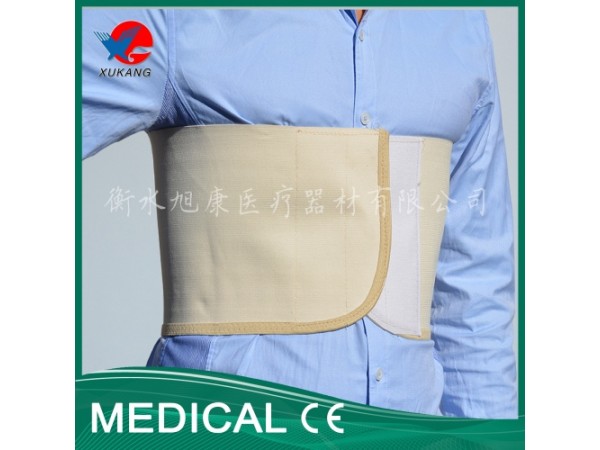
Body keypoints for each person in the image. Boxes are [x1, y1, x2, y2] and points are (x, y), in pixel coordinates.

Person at [82, 9, 517, 418]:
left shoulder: (458, 23)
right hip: (229, 426)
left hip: (410, 427)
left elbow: (475, 284)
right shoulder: (180, 17)